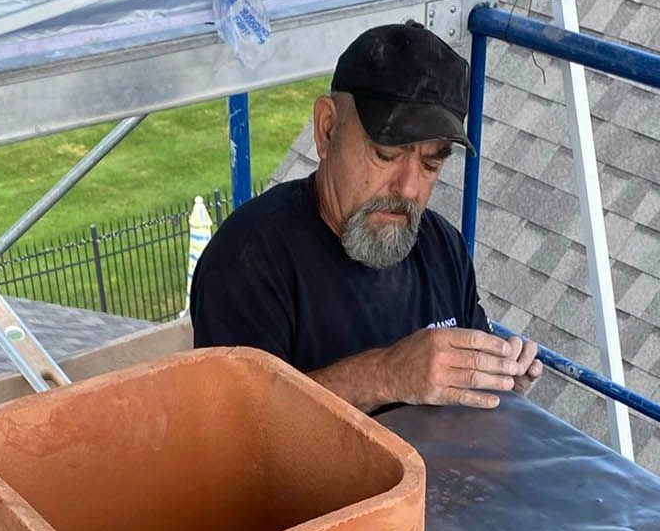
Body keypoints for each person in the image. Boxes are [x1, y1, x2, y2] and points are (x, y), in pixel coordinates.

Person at [190, 21, 542, 413]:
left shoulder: (442, 246)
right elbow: (240, 431)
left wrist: (500, 381)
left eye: (430, 163)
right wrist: (384, 375)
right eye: (386, 154)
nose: (409, 188)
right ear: (327, 129)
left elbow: (470, 397)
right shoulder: (247, 262)